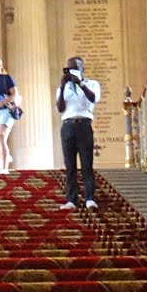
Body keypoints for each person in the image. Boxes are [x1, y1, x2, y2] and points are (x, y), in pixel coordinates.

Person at [55, 53, 101, 208]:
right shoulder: (63, 87)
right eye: (70, 69)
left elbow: (93, 98)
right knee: (70, 165)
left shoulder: (92, 84)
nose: (72, 71)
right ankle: (71, 199)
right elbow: (60, 108)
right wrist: (62, 87)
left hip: (84, 125)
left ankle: (89, 197)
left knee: (86, 163)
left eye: (76, 68)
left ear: (82, 69)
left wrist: (80, 83)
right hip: (68, 125)